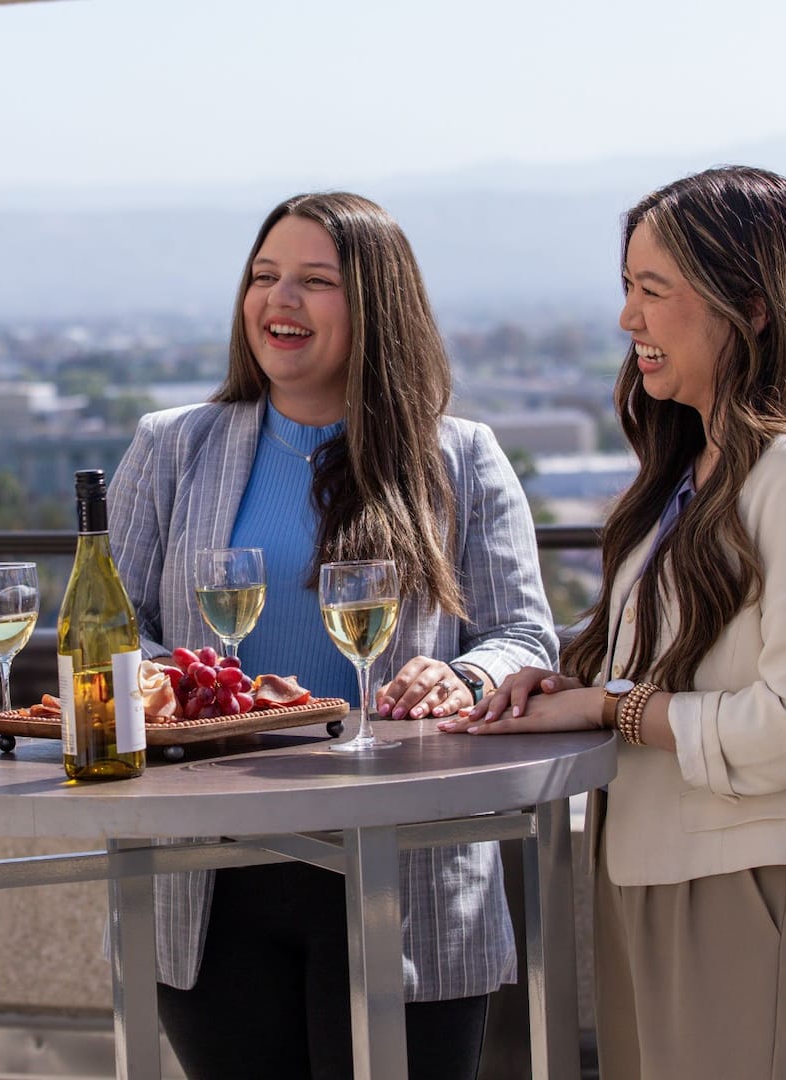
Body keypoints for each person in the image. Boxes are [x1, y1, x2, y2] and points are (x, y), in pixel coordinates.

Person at [441, 165, 786, 1079]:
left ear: (754, 305)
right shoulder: (696, 471)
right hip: (653, 868)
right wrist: (578, 686)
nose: (630, 320)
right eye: (627, 288)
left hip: (750, 883)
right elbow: (682, 671)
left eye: (654, 291)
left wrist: (613, 710)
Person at [110, 191, 559, 1079]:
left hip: (406, 864)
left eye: (315, 281)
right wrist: (185, 685)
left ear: (377, 308)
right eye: (264, 276)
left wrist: (464, 678)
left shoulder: (461, 457)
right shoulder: (169, 448)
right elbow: (116, 630)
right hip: (210, 875)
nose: (280, 300)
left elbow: (523, 636)